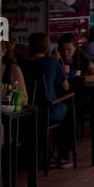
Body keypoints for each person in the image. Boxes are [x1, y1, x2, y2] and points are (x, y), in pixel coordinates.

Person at [29, 33, 75, 168]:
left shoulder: (24, 63)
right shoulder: (52, 62)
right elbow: (65, 86)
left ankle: (47, 154)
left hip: (30, 111)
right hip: (48, 111)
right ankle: (64, 155)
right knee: (69, 110)